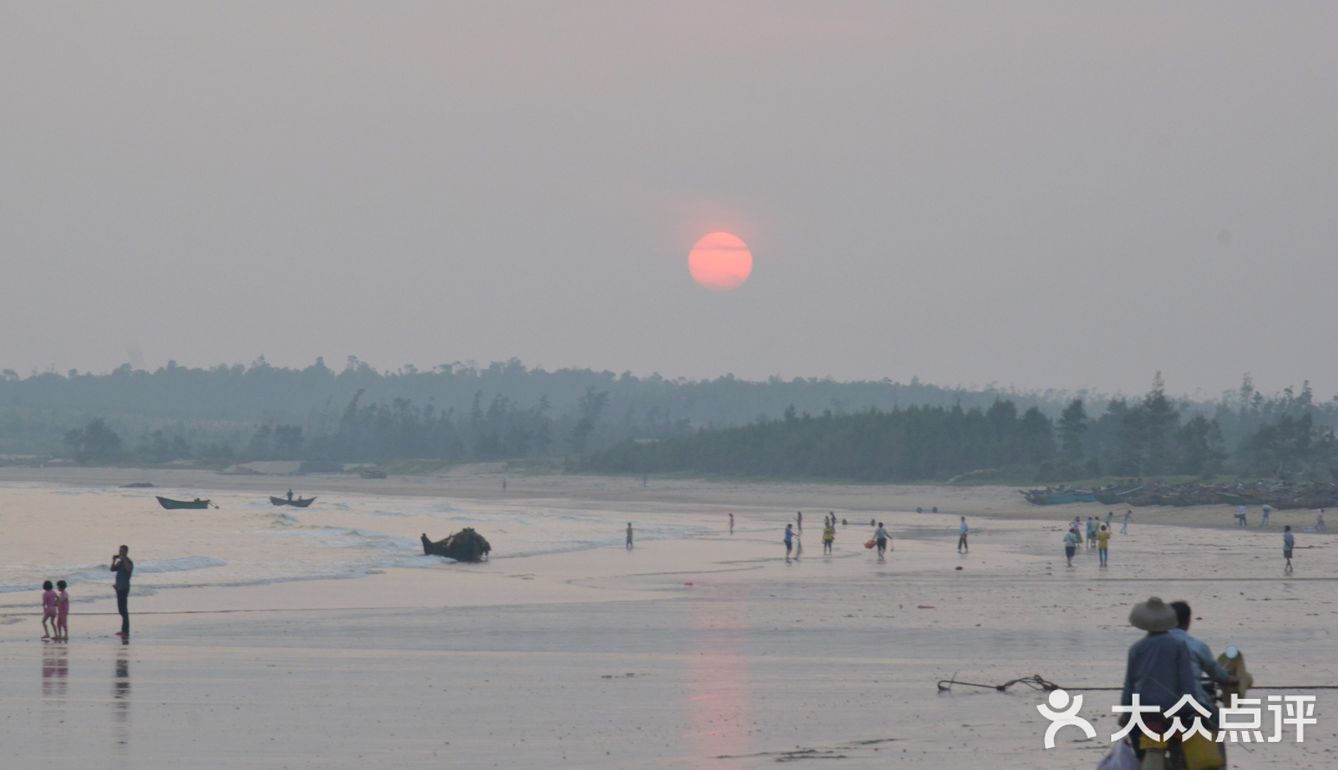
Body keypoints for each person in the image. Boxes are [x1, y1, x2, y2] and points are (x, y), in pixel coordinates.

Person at [1119, 597, 1200, 769]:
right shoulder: (1179, 646)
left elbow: (1129, 687)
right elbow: (1187, 684)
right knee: (1185, 747)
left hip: (1142, 712)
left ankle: (1142, 760)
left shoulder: (1136, 649)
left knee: (1138, 748)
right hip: (1173, 711)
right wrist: (1193, 709)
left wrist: (1125, 713)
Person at [1168, 601, 1233, 714]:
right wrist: (1230, 678)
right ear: (1188, 620)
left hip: (1156, 705)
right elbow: (1217, 673)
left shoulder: (1149, 647)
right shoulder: (1197, 646)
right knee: (1215, 714)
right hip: (1193, 704)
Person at [110, 545, 133, 637]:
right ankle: (124, 630)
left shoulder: (128, 562)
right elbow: (112, 569)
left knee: (123, 610)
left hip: (124, 588)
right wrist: (114, 560)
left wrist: (123, 558)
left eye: (122, 551)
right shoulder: (120, 562)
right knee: (121, 610)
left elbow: (128, 569)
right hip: (119, 588)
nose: (120, 553)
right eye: (120, 551)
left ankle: (125, 631)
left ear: (126, 552)